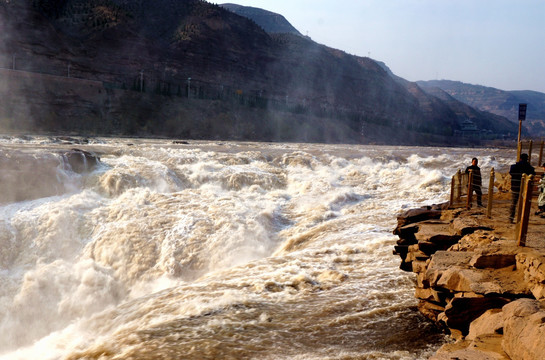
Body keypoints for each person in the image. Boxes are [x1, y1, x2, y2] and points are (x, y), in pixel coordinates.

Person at [509, 153, 535, 222]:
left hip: (515, 187)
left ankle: (511, 218)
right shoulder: (529, 167)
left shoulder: (514, 167)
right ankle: (522, 219)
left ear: (520, 158)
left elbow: (511, 172)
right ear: (527, 159)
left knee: (513, 203)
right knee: (524, 204)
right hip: (525, 188)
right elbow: (533, 174)